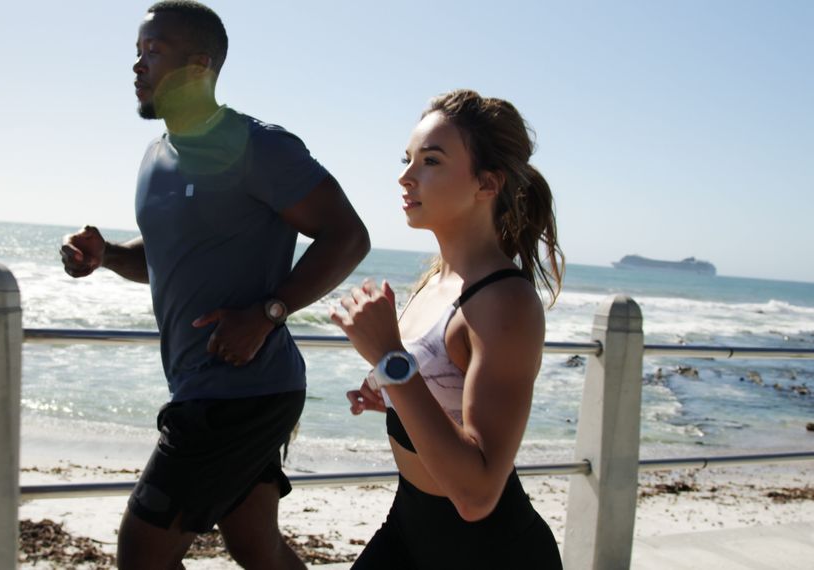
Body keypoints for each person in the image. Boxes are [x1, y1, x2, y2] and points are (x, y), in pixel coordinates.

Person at [60, 2, 370, 568]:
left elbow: (348, 237)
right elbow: (158, 260)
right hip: (213, 387)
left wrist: (269, 312)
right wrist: (106, 256)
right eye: (137, 51)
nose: (137, 65)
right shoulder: (157, 156)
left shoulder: (260, 146)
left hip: (238, 393)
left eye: (153, 51)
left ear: (199, 65)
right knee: (256, 544)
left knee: (142, 551)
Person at [330, 89, 565, 568]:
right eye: (408, 158)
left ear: (487, 184)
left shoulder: (504, 302)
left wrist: (391, 361)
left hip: (487, 551)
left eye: (431, 161)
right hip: (408, 528)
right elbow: (440, 401)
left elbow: (477, 494)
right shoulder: (436, 281)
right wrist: (393, 397)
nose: (405, 176)